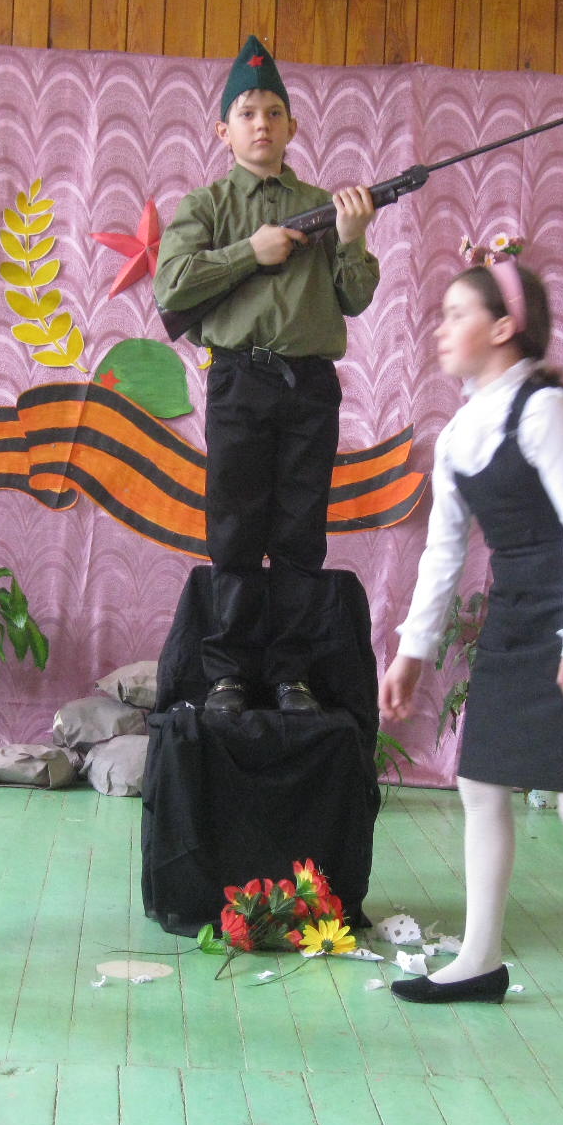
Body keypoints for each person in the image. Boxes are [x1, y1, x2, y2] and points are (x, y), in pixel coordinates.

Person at [377, 249, 563, 1019]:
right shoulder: (457, 435)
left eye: (458, 314)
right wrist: (412, 651)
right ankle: (478, 960)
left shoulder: (544, 411)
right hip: (511, 615)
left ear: (504, 327)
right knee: (479, 786)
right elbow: (443, 554)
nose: (441, 329)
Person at [154, 35, 380, 717]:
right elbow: (173, 285)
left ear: (293, 127)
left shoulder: (324, 203)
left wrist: (353, 237)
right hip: (238, 384)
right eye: (247, 113)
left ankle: (291, 677)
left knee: (301, 536)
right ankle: (227, 676)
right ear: (222, 130)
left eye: (274, 113)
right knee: (234, 532)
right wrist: (249, 252)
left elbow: (355, 298)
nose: (262, 124)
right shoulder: (206, 208)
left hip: (310, 387)